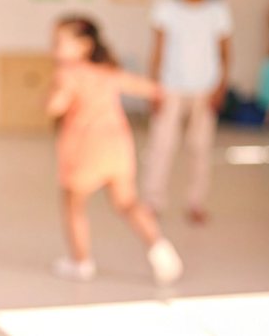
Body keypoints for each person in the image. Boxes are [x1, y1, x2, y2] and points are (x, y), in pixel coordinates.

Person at [46, 16, 183, 284]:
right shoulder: (108, 72)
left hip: (85, 149)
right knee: (127, 203)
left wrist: (49, 94)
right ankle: (160, 249)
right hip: (118, 147)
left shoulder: (67, 74)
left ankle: (81, 261)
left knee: (74, 206)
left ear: (84, 45)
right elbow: (151, 89)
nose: (53, 47)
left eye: (59, 41)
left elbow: (55, 107)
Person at [143, 0, 233, 224]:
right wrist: (153, 87)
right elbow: (157, 50)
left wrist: (221, 86)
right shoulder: (165, 8)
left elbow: (225, 52)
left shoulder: (217, 10)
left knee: (200, 147)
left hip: (204, 89)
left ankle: (196, 201)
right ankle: (152, 201)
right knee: (162, 145)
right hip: (171, 87)